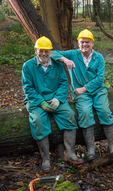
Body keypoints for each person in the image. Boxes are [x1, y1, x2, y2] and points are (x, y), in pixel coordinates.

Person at [50, 29, 113, 163]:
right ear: (78, 43)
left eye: (87, 42)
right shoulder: (73, 54)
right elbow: (52, 53)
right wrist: (65, 59)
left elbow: (100, 79)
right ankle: (91, 149)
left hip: (98, 90)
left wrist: (84, 89)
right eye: (82, 42)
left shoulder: (98, 57)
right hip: (80, 94)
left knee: (104, 110)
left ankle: (112, 146)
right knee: (86, 112)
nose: (84, 45)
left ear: (92, 43)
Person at [22, 36, 84, 173]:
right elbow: (28, 88)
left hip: (55, 99)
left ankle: (70, 152)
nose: (44, 54)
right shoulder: (28, 66)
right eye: (41, 50)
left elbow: (63, 83)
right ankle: (46, 159)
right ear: (35, 50)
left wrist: (58, 99)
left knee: (69, 115)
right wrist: (40, 102)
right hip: (36, 101)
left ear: (50, 51)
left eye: (47, 51)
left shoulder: (57, 65)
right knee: (38, 120)